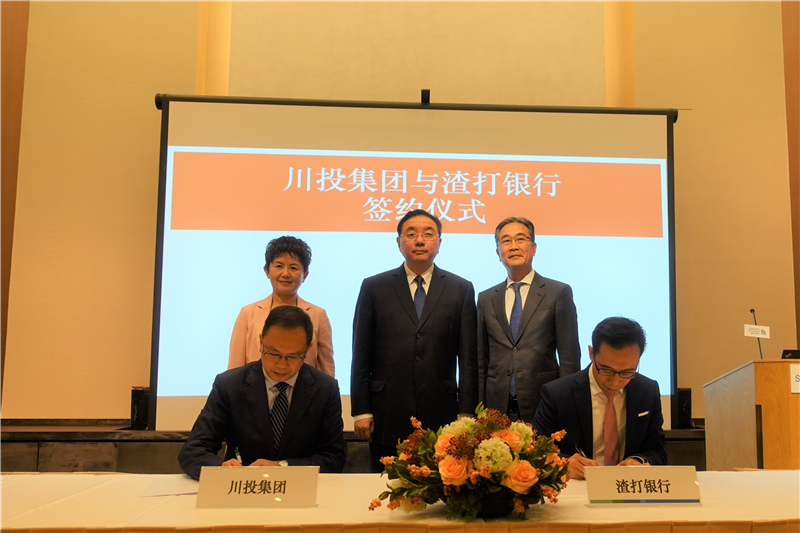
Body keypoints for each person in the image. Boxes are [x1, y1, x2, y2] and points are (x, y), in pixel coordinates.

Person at [351, 209, 478, 472]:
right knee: (386, 485)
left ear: (439, 243)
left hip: (441, 413)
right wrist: (361, 410)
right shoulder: (374, 287)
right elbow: (361, 352)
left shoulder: (460, 288)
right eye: (411, 234)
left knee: (442, 487)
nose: (420, 240)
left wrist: (466, 412)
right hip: (387, 411)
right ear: (399, 242)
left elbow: (468, 358)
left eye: (428, 234)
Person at [179, 306, 345, 479]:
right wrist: (220, 469)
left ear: (307, 349)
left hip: (300, 489)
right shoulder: (230, 385)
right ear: (261, 342)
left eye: (293, 356)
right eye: (273, 353)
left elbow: (334, 458)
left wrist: (282, 467)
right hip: (243, 487)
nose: (281, 365)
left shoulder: (325, 388)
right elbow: (193, 451)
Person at [532, 316, 667, 480]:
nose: (615, 382)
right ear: (591, 353)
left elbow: (657, 451)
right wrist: (562, 462)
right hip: (578, 486)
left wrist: (639, 461)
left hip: (626, 487)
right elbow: (535, 450)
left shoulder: (648, 391)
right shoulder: (558, 393)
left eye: (627, 372)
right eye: (607, 370)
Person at [477, 216, 580, 422]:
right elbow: (481, 360)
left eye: (520, 239)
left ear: (533, 248)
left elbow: (569, 358)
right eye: (506, 241)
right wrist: (479, 408)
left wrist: (566, 405)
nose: (513, 246)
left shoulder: (557, 292)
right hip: (497, 407)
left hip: (543, 403)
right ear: (498, 253)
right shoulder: (486, 298)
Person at [228, 236, 334, 376]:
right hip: (255, 388)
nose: (285, 274)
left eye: (293, 268)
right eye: (279, 266)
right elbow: (234, 370)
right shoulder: (248, 313)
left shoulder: (318, 315)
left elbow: (326, 372)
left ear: (305, 275)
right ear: (267, 271)